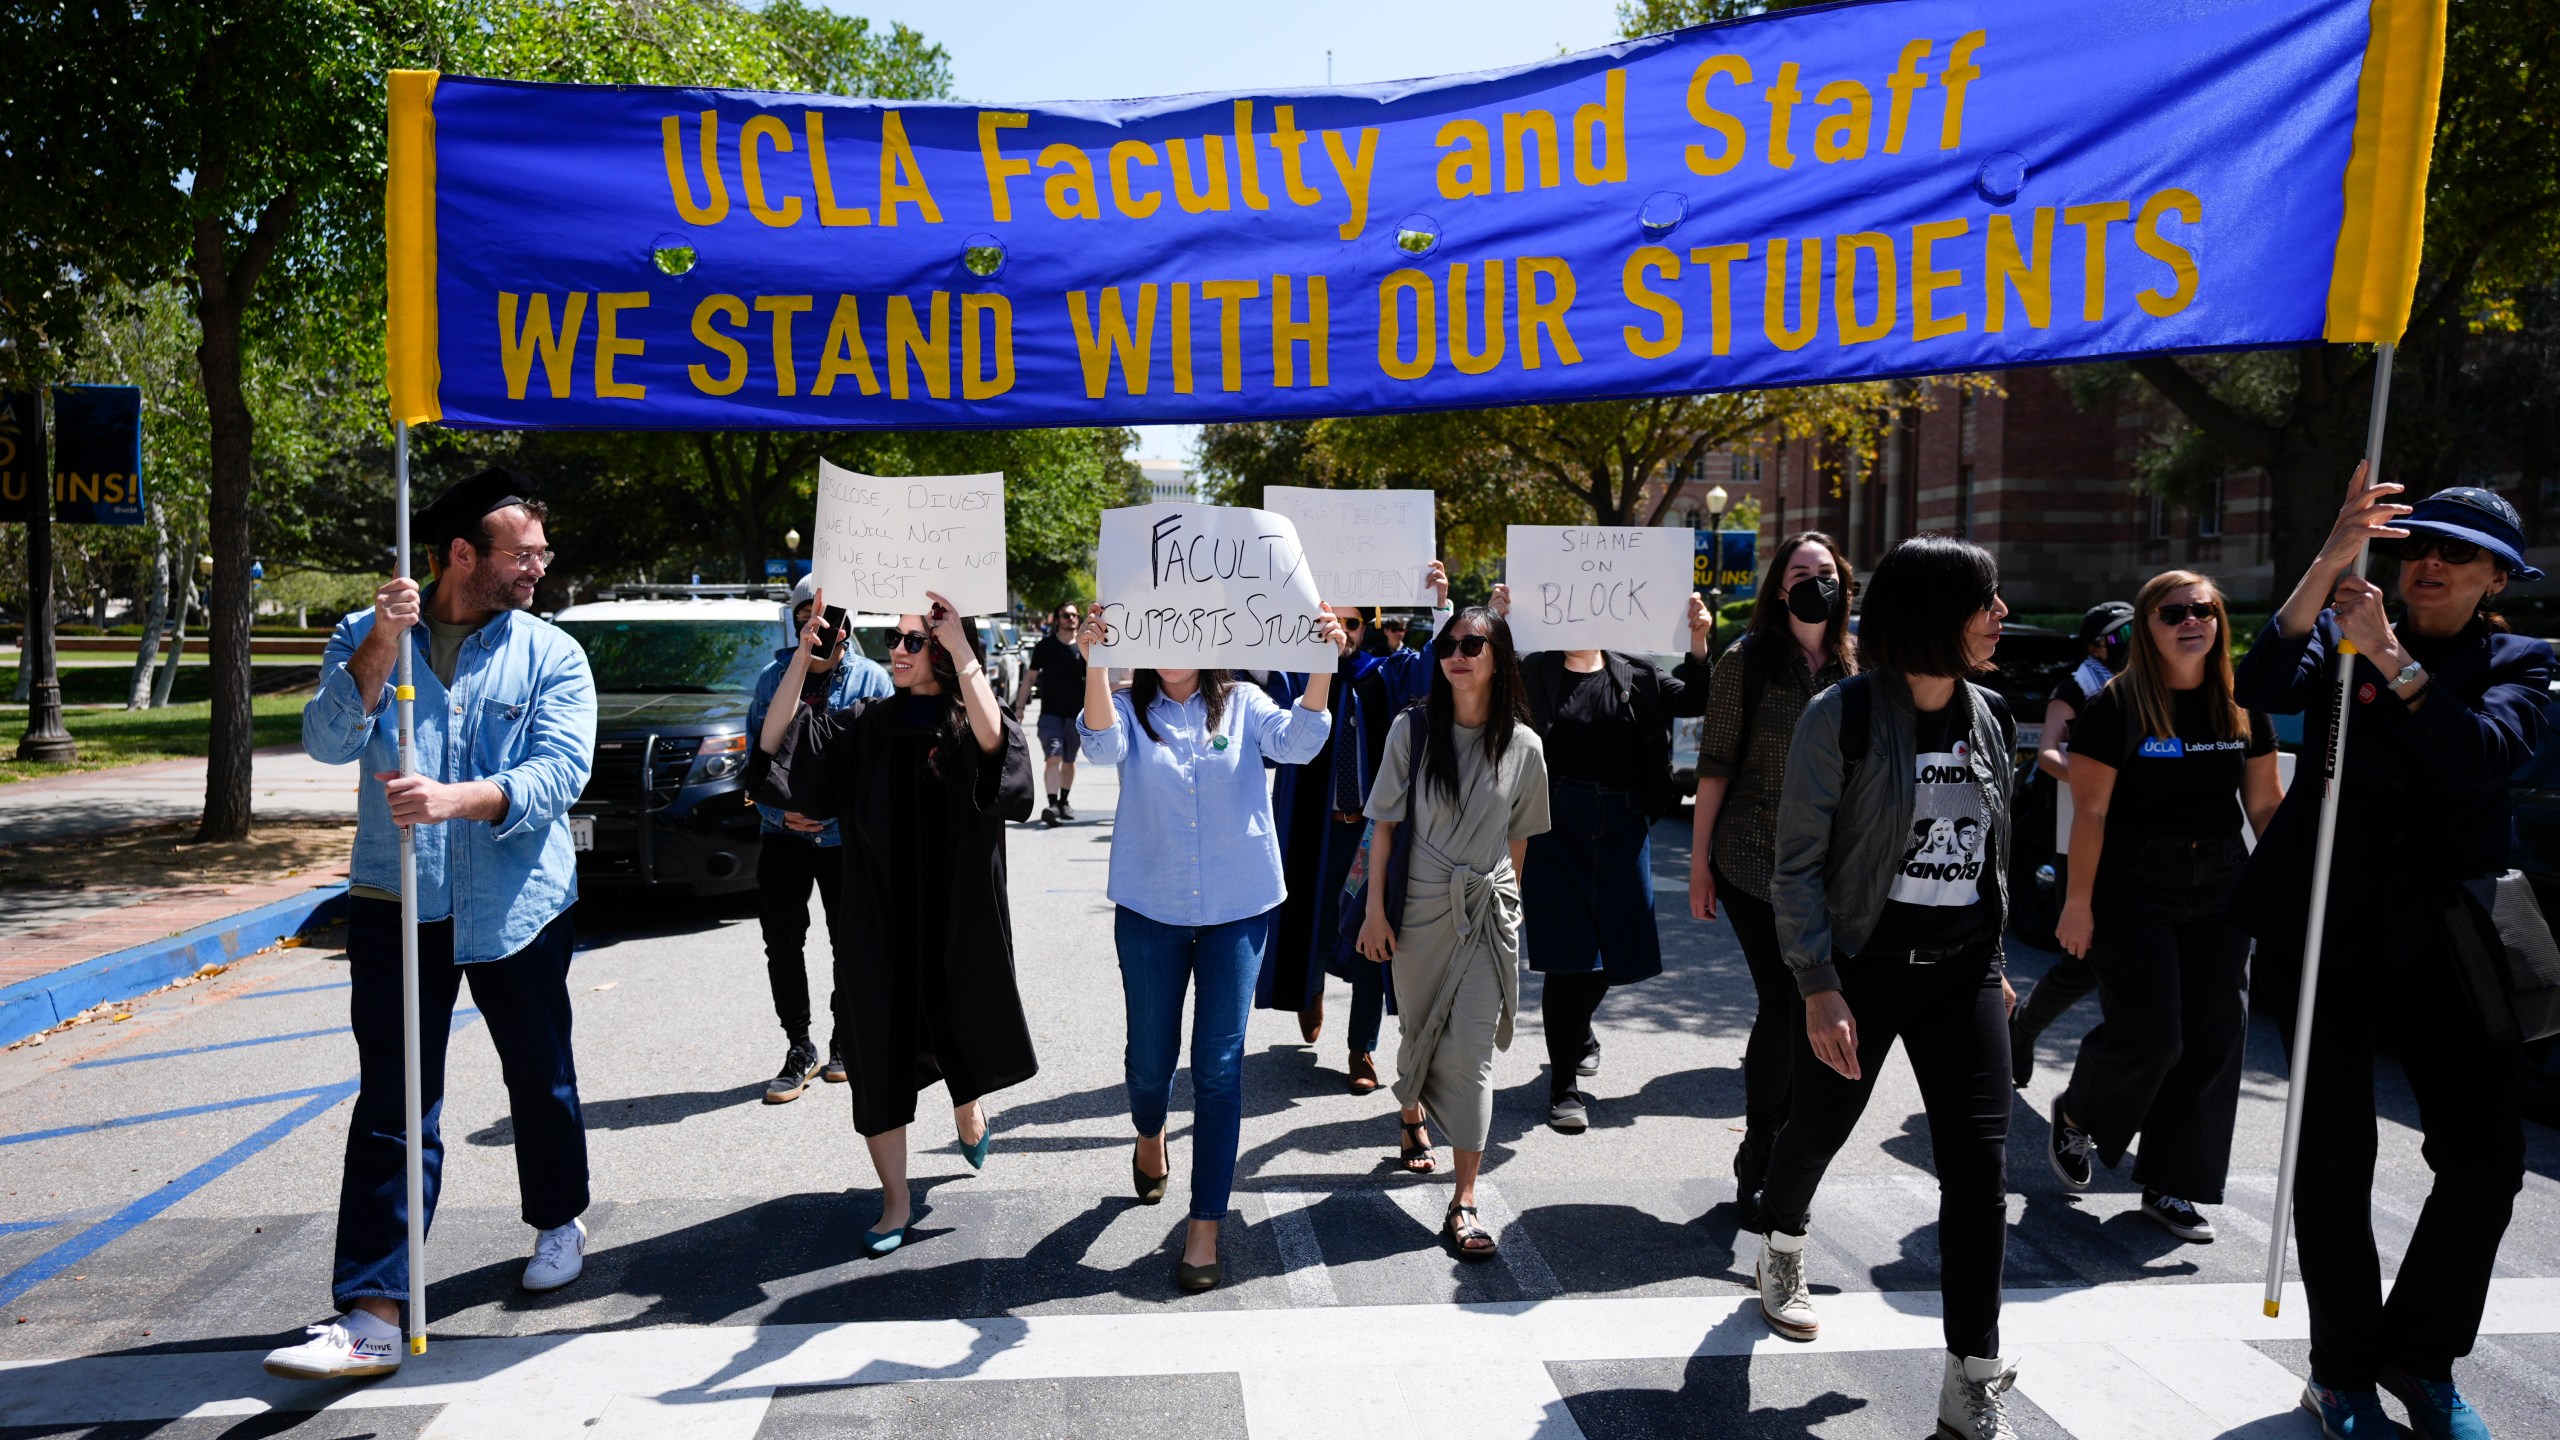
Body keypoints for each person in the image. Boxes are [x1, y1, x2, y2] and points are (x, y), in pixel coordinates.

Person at [2231, 469, 2551, 1440]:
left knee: (2485, 1158)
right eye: (2417, 546)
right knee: (2333, 1158)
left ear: (2496, 580)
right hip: (2328, 923)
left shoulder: (2525, 661)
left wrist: (2394, 663)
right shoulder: (2345, 632)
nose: (2429, 563)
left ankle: (2420, 1357)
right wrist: (2333, 555)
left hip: (2450, 944)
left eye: (2457, 554)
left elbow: (2484, 757)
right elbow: (2257, 683)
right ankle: (2339, 1375)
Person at [266, 469, 597, 1381]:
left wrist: (459, 799)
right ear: (464, 555)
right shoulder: (369, 634)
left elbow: (559, 773)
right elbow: (329, 740)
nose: (541, 566)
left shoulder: (551, 653)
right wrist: (381, 641)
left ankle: (559, 1217)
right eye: (524, 553)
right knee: (394, 1104)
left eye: (540, 552)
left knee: (542, 1077)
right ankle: (372, 1310)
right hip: (395, 900)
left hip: (518, 907)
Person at [1761, 534, 2022, 1440]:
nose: (2000, 617)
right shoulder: (1842, 717)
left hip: (1963, 975)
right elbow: (1794, 867)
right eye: (1984, 600)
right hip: (1862, 972)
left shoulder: (1989, 715)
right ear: (1931, 614)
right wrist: (1818, 983)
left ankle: (1970, 1376)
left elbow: (1996, 855)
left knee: (1981, 1172)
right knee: (1817, 1130)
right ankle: (1784, 1240)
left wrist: (1995, 964)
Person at [753, 588, 1038, 1257]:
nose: (899, 650)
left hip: (956, 914)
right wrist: (804, 660)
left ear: (944, 648)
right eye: (897, 638)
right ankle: (895, 1199)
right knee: (876, 1050)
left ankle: (967, 1098)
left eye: (915, 639)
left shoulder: (971, 718)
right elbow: (774, 747)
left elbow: (1000, 749)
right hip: (875, 916)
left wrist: (966, 650)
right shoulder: (864, 722)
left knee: (960, 1023)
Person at [1076, 605, 1347, 1291]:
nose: (1170, 646)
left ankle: (1205, 1225)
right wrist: (1096, 661)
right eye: (1153, 631)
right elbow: (1100, 749)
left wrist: (1322, 662)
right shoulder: (1129, 709)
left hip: (1238, 909)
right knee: (1149, 1061)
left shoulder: (1247, 703)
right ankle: (1148, 1130)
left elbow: (1304, 743)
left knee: (1220, 1069)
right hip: (1150, 908)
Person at [2047, 572, 2281, 1244]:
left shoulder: (2242, 704)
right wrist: (2079, 904)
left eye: (2204, 609)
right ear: (2147, 627)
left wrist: (2292, 885)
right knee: (2153, 1036)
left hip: (2221, 884)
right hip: (2133, 885)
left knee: (2215, 1033)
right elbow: (2089, 812)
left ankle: (2173, 1185)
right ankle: (2078, 1113)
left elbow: (2264, 805)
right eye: (2173, 611)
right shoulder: (2116, 707)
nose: (2192, 620)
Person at [1356, 607, 1551, 1260]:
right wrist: (1375, 913)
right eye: (1448, 644)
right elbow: (1382, 825)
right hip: (1417, 909)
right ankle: (1412, 1112)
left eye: (1473, 644)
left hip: (1487, 917)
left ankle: (1464, 1199)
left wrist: (1510, 907)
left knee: (1471, 1055)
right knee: (1418, 1031)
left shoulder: (1525, 747)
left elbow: (1519, 839)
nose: (1457, 654)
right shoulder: (1412, 730)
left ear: (1499, 658)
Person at [1488, 583, 1713, 1130]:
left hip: (1623, 823)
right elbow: (1485, 687)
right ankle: (1562, 1085)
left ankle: (1578, 1029)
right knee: (1567, 957)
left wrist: (1702, 642)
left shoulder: (1635, 671)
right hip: (1553, 822)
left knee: (1620, 950)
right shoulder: (1535, 670)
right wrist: (1498, 624)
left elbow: (1695, 699)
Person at [1687, 531, 1857, 1195]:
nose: (1814, 581)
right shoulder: (1747, 661)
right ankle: (1763, 1149)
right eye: (1799, 571)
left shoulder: (1858, 663)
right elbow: (1715, 766)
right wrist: (1700, 864)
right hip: (1753, 859)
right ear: (1778, 587)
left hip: (1832, 870)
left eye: (1825, 570)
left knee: (1817, 1000)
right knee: (1788, 999)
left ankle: (1789, 1143)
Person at [1257, 572, 1451, 1092]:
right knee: (1313, 923)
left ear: (1366, 629)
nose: (1340, 630)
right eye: (1331, 621)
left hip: (1370, 835)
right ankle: (1310, 987)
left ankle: (1361, 1048)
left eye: (1350, 623)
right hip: (1311, 827)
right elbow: (1262, 694)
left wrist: (1439, 607)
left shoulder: (1383, 674)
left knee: (1373, 931)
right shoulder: (1298, 677)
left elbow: (1435, 674)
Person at [746, 574, 893, 1103]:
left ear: (849, 625)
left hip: (844, 842)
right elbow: (755, 762)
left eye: (829, 616)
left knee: (848, 943)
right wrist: (778, 814)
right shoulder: (772, 678)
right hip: (780, 836)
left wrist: (838, 818)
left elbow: (884, 772)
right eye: (807, 615)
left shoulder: (872, 681)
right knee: (782, 942)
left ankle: (843, 1041)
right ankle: (798, 1045)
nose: (820, 625)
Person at [2009, 599, 2134, 1086]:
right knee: (2081, 961)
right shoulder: (2077, 688)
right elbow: (2048, 755)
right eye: (2117, 634)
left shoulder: (2151, 684)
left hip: (2131, 837)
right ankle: (2023, 1027)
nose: (2126, 642)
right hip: (2069, 826)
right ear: (2095, 643)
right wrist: (2094, 776)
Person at [1020, 602, 1088, 824]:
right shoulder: (1045, 646)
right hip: (1050, 714)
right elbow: (1030, 678)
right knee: (1053, 757)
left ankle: (1064, 802)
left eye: (1074, 615)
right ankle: (1051, 804)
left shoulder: (1085, 647)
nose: (1071, 619)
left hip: (1077, 716)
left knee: (1069, 760)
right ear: (1057, 618)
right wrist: (1019, 709)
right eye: (1066, 615)